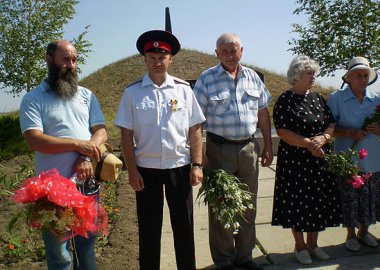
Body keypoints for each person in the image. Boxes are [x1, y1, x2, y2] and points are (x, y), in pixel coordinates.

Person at [114, 30, 205, 270]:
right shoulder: (132, 93)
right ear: (144, 59)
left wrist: (196, 164)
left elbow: (195, 128)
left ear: (170, 59)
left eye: (162, 56)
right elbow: (126, 134)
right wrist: (132, 171)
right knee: (149, 230)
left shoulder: (183, 90)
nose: (157, 61)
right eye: (152, 56)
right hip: (147, 170)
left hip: (179, 168)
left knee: (184, 227)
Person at [19, 40, 108, 270]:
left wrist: (86, 156)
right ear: (49, 61)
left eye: (74, 60)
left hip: (85, 185)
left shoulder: (87, 96)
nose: (71, 65)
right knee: (59, 255)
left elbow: (100, 132)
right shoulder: (33, 98)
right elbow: (35, 140)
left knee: (86, 249)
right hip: (51, 191)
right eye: (65, 59)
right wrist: (78, 144)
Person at [193, 33, 272, 270]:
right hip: (219, 150)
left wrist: (268, 144)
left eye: (233, 50)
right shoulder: (206, 79)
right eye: (224, 51)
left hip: (249, 149)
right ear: (217, 53)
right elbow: (195, 121)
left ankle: (245, 257)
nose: (229, 55)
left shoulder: (253, 78)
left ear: (241, 51)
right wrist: (200, 155)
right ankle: (225, 261)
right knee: (222, 206)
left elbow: (263, 113)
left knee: (248, 205)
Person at [270, 55, 342, 265]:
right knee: (298, 203)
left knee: (318, 202)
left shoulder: (318, 98)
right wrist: (310, 144)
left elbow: (331, 125)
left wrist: (323, 138)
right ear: (296, 75)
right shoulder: (285, 100)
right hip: (295, 162)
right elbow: (283, 131)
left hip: (318, 160)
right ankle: (300, 245)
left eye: (314, 73)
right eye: (308, 73)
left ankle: (313, 244)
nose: (313, 77)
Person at [328, 56, 380, 252]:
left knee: (369, 198)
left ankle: (364, 232)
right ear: (349, 77)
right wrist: (350, 132)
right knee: (349, 198)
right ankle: (350, 235)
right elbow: (329, 128)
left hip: (373, 159)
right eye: (358, 75)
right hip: (347, 159)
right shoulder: (336, 98)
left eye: (365, 75)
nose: (362, 79)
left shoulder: (377, 100)